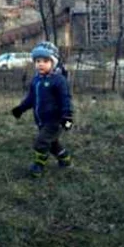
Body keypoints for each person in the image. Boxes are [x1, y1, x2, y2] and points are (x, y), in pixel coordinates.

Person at [11, 41, 74, 177]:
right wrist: (21, 108)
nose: (40, 64)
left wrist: (67, 118)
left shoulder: (59, 80)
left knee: (41, 142)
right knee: (52, 144)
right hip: (41, 120)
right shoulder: (36, 80)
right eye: (37, 61)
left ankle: (38, 166)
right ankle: (65, 159)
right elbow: (31, 98)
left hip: (55, 120)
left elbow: (66, 99)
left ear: (53, 62)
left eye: (45, 61)